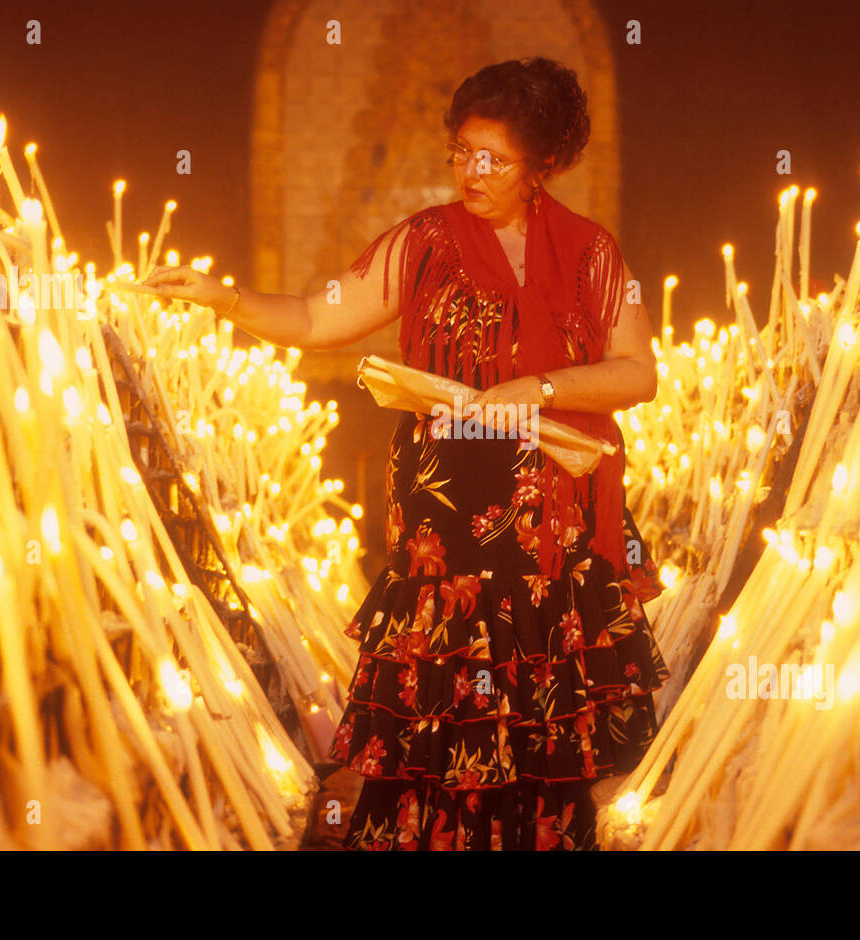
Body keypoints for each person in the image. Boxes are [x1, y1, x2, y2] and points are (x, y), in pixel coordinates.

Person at [142, 56, 670, 851]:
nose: (471, 171)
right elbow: (318, 319)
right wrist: (228, 300)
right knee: (441, 734)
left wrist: (541, 387)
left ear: (543, 165)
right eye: (461, 151)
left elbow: (639, 373)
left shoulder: (592, 252)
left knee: (545, 741)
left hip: (552, 528)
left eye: (492, 157)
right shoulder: (426, 241)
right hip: (447, 527)